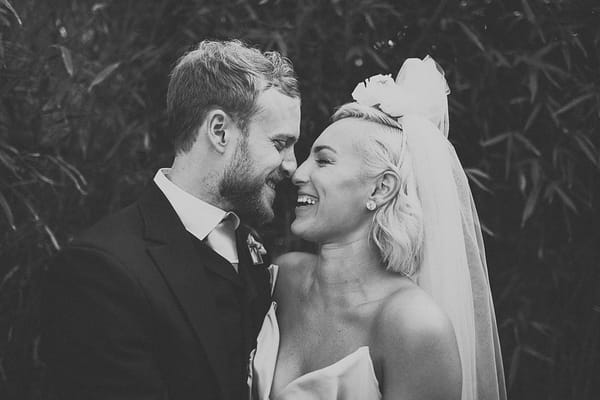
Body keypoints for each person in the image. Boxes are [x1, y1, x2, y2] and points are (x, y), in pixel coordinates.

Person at [42, 40, 301, 400]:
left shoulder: (254, 253)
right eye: (280, 144)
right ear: (220, 131)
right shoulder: (100, 270)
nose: (293, 166)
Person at [251, 57, 506, 400]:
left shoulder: (414, 325)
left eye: (323, 160)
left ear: (381, 188)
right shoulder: (282, 278)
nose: (298, 174)